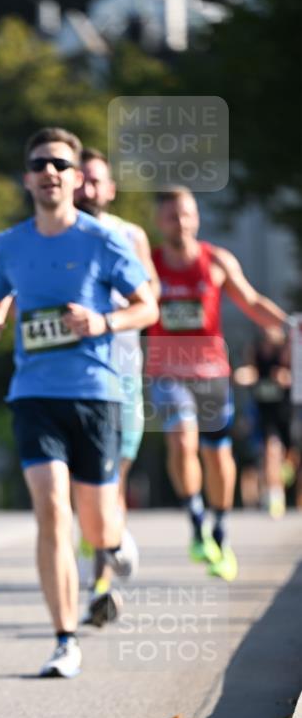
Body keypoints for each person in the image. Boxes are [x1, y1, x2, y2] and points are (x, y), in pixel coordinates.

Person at [0, 127, 158, 678]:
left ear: (76, 179)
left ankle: (116, 540)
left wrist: (103, 320)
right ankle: (64, 637)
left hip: (95, 395)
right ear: (27, 177)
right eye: (39, 163)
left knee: (96, 524)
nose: (49, 171)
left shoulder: (103, 241)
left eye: (60, 163)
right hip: (33, 395)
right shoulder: (8, 245)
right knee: (52, 511)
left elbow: (147, 306)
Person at [147, 187, 288, 580]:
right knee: (181, 438)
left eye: (188, 214)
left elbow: (251, 301)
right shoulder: (151, 265)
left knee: (217, 457)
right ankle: (195, 520)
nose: (183, 223)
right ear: (160, 222)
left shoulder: (217, 261)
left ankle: (220, 532)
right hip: (168, 374)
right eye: (173, 216)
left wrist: (288, 326)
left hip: (211, 375)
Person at [74, 148, 160, 626]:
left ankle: (102, 576)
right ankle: (99, 583)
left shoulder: (131, 235)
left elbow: (153, 298)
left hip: (122, 373)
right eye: (81, 179)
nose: (87, 188)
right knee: (82, 488)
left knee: (111, 483)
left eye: (95, 181)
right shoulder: (59, 236)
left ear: (109, 189)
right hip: (74, 374)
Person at [234, 327, 293, 518]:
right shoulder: (256, 353)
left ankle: (283, 481)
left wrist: (285, 377)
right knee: (270, 452)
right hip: (265, 413)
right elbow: (249, 372)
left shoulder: (285, 354)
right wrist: (241, 376)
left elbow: (291, 377)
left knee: (288, 459)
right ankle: (275, 496)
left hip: (285, 412)